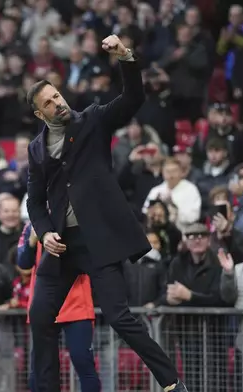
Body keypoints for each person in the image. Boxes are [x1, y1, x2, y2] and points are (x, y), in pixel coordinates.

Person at [24, 34, 186, 392]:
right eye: (49, 103)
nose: (58, 102)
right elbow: (35, 200)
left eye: (57, 95)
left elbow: (133, 98)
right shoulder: (36, 150)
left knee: (119, 317)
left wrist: (125, 57)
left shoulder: (92, 121)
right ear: (40, 113)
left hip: (98, 242)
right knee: (39, 317)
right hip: (62, 247)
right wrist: (45, 231)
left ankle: (172, 383)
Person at [16, 222, 99, 392]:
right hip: (43, 304)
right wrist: (32, 241)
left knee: (83, 361)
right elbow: (23, 263)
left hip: (76, 303)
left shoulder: (79, 219)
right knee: (39, 369)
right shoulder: (31, 225)